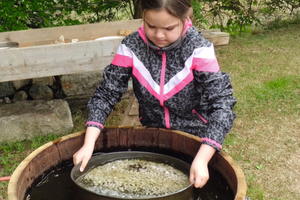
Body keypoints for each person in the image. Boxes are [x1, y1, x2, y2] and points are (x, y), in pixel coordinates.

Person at [73, 0, 236, 189]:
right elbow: (106, 94)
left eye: (169, 28)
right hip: (153, 136)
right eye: (150, 26)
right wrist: (89, 143)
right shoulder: (131, 47)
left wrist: (202, 158)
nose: (158, 35)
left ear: (185, 17)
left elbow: (223, 105)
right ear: (143, 16)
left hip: (196, 141)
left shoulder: (199, 50)